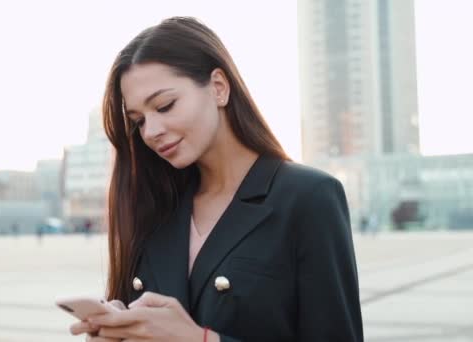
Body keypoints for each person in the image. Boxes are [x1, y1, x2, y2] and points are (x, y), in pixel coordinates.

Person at [69, 16, 363, 342]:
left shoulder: (308, 197)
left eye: (165, 106)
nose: (150, 132)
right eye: (138, 121)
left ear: (219, 88)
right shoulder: (156, 207)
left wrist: (201, 339)